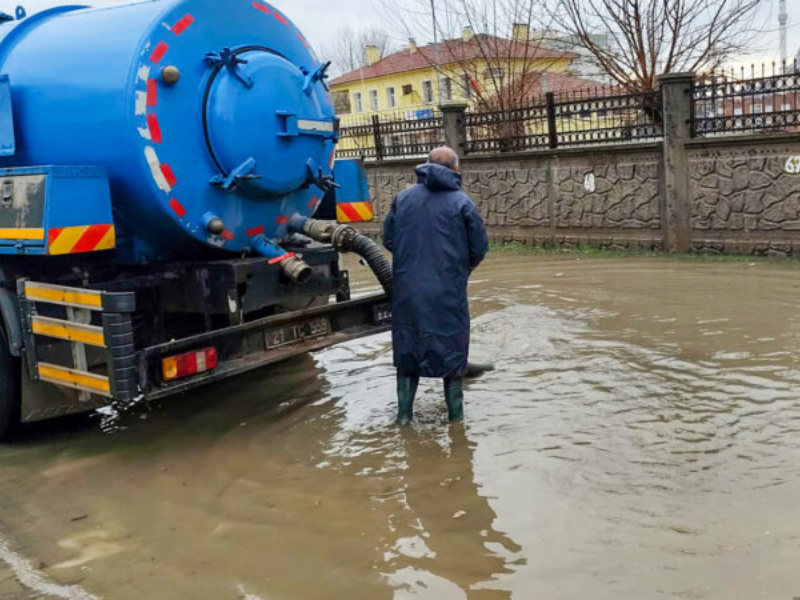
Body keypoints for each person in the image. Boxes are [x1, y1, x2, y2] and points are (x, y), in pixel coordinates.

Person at [383, 146, 489, 425]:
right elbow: (479, 248)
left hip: (408, 292)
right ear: (456, 169)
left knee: (408, 350)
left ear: (426, 165)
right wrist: (458, 271)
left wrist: (411, 264)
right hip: (447, 293)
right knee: (452, 351)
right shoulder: (462, 202)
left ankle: (404, 418)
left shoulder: (403, 198)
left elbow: (389, 240)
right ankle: (456, 423)